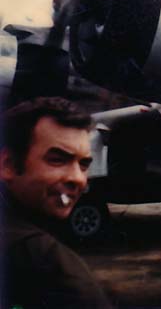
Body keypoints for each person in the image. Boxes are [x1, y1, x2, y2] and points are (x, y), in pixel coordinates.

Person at [0, 97, 112, 308]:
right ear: (8, 165)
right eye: (57, 160)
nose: (78, 179)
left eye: (84, 165)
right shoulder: (48, 262)